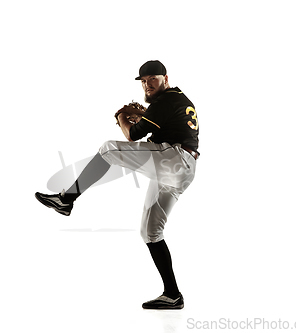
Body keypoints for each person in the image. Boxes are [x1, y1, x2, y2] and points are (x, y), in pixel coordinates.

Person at [35, 60, 199, 310]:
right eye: (143, 81)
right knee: (150, 232)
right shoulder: (174, 100)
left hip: (174, 158)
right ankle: (172, 294)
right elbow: (161, 130)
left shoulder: (165, 101)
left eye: (152, 79)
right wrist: (145, 119)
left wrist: (123, 118)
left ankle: (67, 199)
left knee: (109, 149)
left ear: (165, 77)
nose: (147, 84)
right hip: (180, 169)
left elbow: (132, 135)